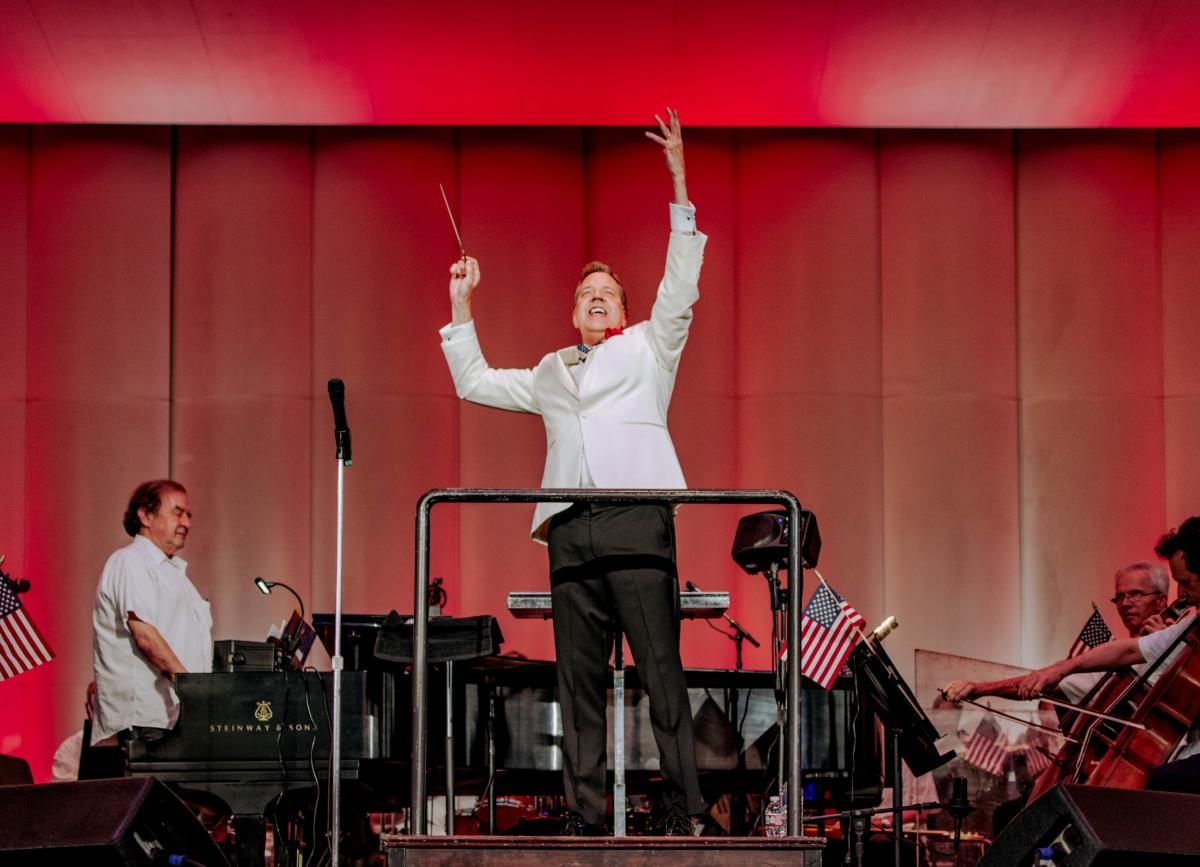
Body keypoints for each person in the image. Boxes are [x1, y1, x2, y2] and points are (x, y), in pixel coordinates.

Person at [439, 108, 704, 836]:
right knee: (578, 684)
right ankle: (587, 817)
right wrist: (463, 304)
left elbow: (680, 282)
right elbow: (477, 382)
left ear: (621, 311)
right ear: (574, 309)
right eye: (586, 292)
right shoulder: (553, 371)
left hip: (635, 516)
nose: (596, 298)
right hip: (568, 531)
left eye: (608, 294)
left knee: (661, 673)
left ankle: (685, 813)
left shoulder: (651, 348)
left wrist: (679, 179)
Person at [1014, 517, 1200, 792]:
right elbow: (1130, 650)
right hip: (1191, 752)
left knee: (1159, 787)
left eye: (1186, 583)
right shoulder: (1195, 623)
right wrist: (1061, 669)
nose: (1181, 594)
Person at [90, 479, 213, 749]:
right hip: (143, 725)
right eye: (177, 512)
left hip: (173, 721)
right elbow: (145, 637)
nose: (187, 523)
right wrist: (194, 689)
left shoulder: (178, 576)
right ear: (145, 515)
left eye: (188, 515)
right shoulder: (131, 561)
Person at [941, 561, 1171, 704]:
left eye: (1135, 594)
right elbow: (1042, 681)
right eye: (1119, 597)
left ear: (1161, 601)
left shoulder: (1180, 645)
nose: (1125, 603)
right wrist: (982, 688)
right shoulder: (1109, 660)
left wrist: (1170, 655)